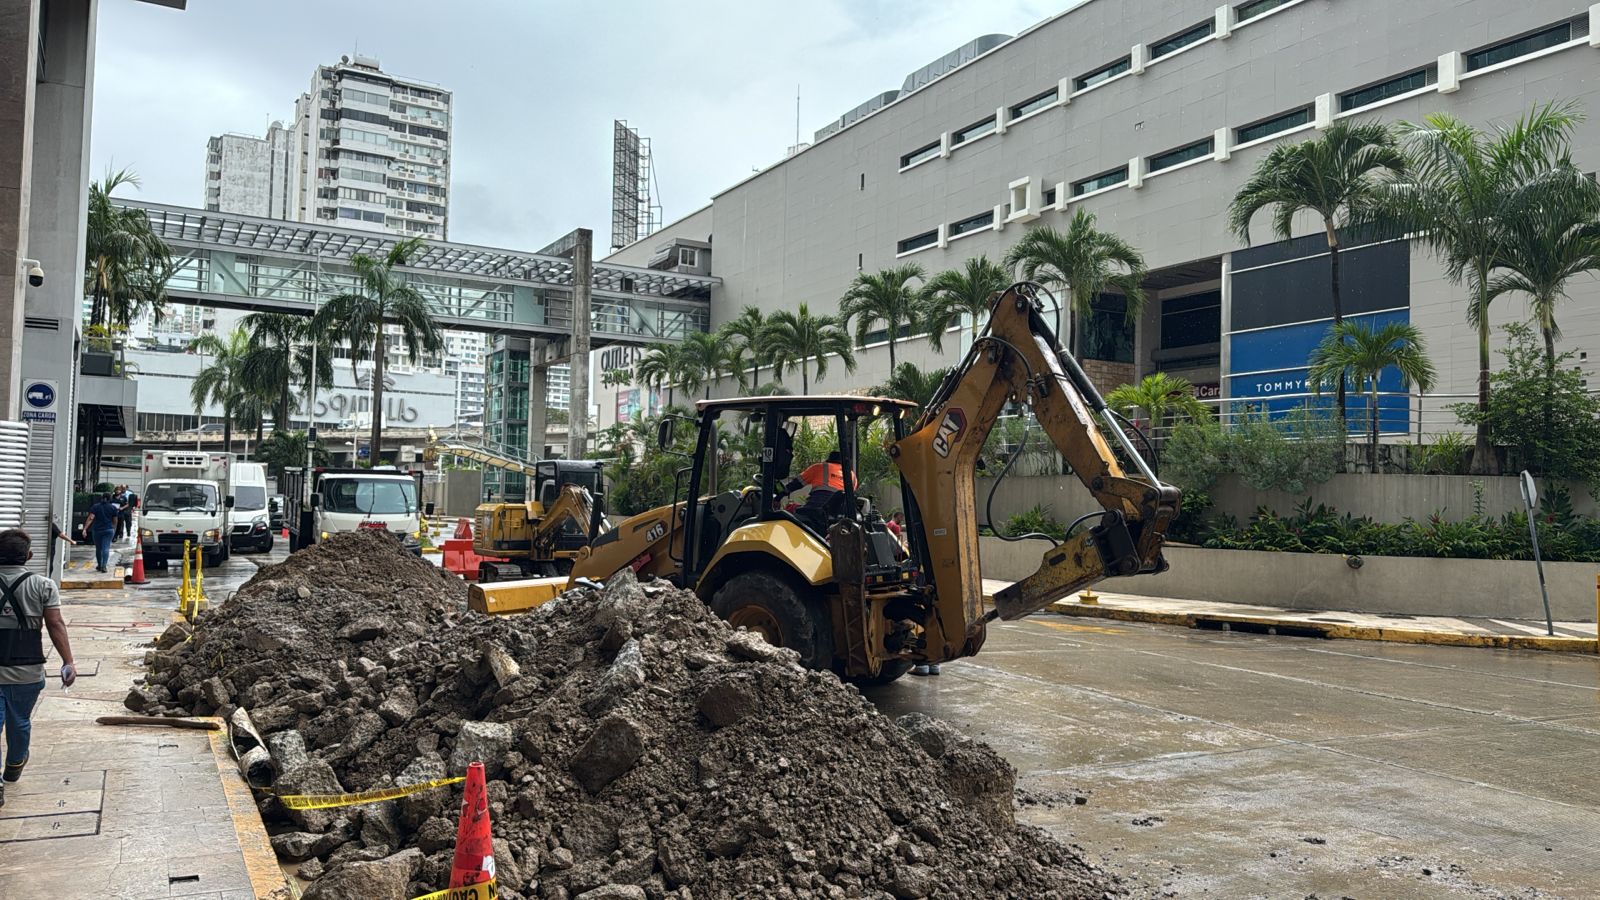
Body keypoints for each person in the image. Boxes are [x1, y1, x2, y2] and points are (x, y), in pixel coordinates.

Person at [0, 529, 77, 808]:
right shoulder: (43, 586)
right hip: (27, 671)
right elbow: (56, 624)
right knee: (19, 721)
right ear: (29, 556)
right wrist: (68, 661)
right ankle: (15, 761)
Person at [82, 493, 121, 573]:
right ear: (110, 499)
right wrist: (113, 529)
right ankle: (104, 566)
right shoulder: (113, 508)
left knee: (98, 549)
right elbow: (115, 521)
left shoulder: (95, 507)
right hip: (108, 530)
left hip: (97, 530)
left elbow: (90, 518)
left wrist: (85, 529)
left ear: (102, 498)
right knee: (106, 548)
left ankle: (99, 565)